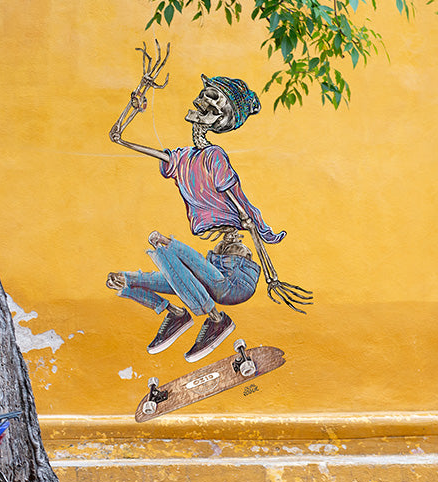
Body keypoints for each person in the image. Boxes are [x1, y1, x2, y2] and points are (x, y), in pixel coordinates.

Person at [108, 45, 309, 362]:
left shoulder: (214, 156)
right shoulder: (182, 159)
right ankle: (173, 312)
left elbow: (242, 207)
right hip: (211, 268)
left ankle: (217, 321)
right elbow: (121, 139)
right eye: (203, 95)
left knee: (163, 246)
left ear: (220, 117)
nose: (199, 102)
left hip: (235, 278)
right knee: (130, 278)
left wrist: (271, 275)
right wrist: (130, 112)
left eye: (211, 100)